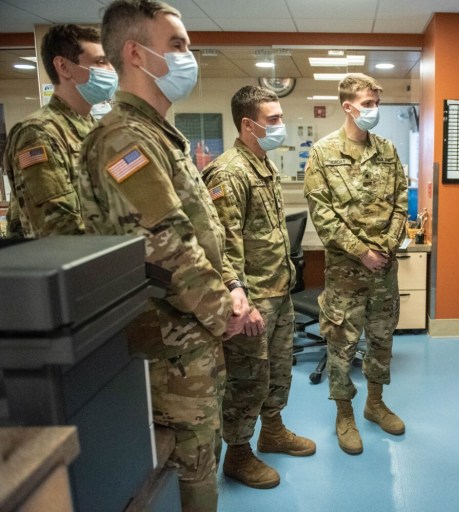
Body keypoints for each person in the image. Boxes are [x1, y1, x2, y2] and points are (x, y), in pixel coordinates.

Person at [77, 2, 251, 511]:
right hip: (169, 347)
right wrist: (228, 314)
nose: (188, 56)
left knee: (203, 462)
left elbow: (206, 230)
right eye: (176, 45)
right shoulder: (123, 139)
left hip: (193, 339)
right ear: (136, 53)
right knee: (190, 477)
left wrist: (234, 287)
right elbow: (167, 246)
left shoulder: (160, 135)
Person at [202, 85, 315, 489]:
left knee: (278, 371)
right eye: (274, 119)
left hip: (277, 291)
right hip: (252, 299)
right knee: (247, 380)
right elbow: (222, 244)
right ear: (248, 124)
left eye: (281, 117)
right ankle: (238, 453)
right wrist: (241, 302)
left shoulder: (261, 164)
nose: (281, 125)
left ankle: (273, 429)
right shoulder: (229, 171)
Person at [304, 73, 408, 455]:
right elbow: (323, 214)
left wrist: (387, 243)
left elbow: (401, 200)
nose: (374, 110)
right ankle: (344, 414)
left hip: (385, 269)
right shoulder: (323, 153)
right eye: (368, 104)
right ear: (348, 106)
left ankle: (375, 403)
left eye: (377, 103)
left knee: (381, 340)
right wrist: (363, 251)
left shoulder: (387, 150)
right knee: (342, 344)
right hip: (346, 272)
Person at [3, 24, 117, 238]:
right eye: (101, 62)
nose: (111, 70)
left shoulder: (95, 129)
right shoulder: (38, 133)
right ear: (63, 67)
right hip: (70, 265)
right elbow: (58, 228)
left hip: (103, 258)